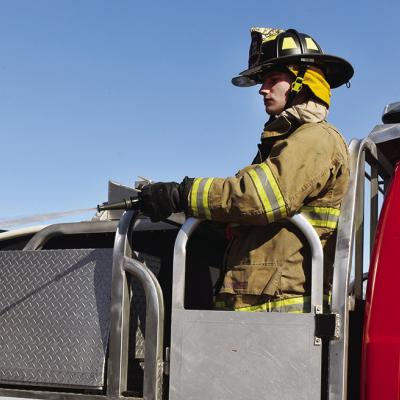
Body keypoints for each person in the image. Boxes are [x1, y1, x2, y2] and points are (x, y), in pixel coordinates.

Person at [139, 28, 354, 312]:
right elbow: (249, 215)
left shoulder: (315, 138)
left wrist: (183, 194)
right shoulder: (285, 143)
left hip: (281, 315)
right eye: (262, 82)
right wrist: (197, 213)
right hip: (261, 309)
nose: (263, 89)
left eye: (273, 80)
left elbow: (259, 197)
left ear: (304, 82)